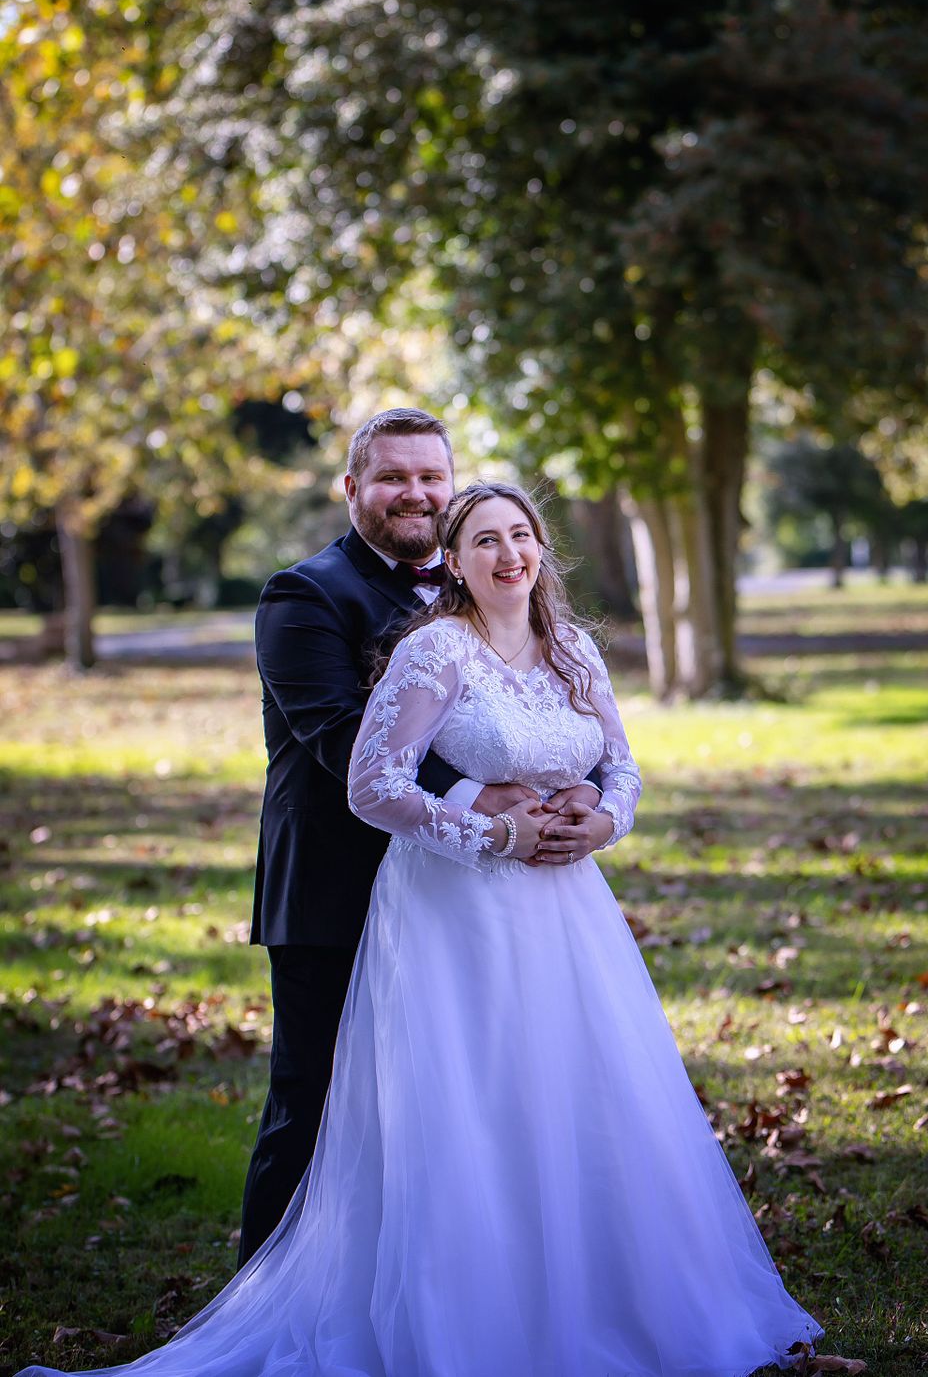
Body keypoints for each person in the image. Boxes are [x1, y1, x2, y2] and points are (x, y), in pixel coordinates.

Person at [16, 480, 823, 1377]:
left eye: (521, 536)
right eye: (485, 540)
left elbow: (623, 765)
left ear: (543, 549)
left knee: (573, 1090)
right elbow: (371, 784)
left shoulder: (575, 651)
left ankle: (600, 1302)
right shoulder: (437, 650)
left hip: (568, 908)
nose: (508, 554)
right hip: (457, 909)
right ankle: (469, 1317)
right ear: (455, 560)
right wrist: (492, 830)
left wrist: (603, 814)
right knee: (471, 1101)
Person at [239, 408, 604, 1263]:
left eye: (430, 477)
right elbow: (336, 733)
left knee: (458, 1103)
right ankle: (267, 1293)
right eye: (393, 477)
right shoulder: (304, 595)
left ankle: (437, 1287)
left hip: (462, 895)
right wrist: (488, 796)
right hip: (335, 886)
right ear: (352, 489)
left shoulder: (475, 584)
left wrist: (573, 794)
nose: (415, 493)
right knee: (317, 1103)